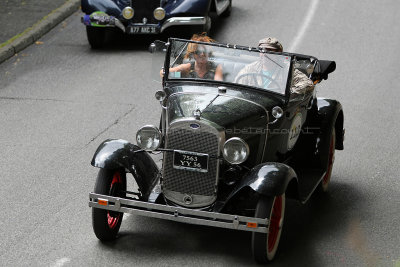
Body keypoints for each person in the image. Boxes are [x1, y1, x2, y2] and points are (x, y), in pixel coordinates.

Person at [235, 37, 314, 94]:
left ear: (278, 54)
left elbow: (308, 84)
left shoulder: (286, 69)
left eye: (269, 51)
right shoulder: (250, 68)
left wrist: (288, 92)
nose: (264, 54)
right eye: (261, 51)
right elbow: (236, 86)